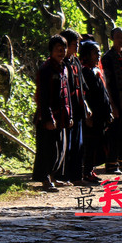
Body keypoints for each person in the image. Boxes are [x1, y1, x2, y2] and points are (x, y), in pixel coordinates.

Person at [32, 35, 72, 192]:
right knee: (47, 150)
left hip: (61, 116)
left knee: (59, 149)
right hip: (47, 117)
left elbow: (66, 94)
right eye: (58, 50)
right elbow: (42, 96)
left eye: (63, 49)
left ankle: (53, 176)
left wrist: (69, 116)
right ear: (51, 51)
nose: (61, 52)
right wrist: (47, 118)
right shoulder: (46, 69)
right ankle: (45, 179)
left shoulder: (63, 68)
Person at [101, 27, 122, 175]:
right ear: (112, 38)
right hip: (116, 102)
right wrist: (112, 105)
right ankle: (111, 164)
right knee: (114, 134)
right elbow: (107, 83)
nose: (121, 40)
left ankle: (121, 162)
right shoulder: (107, 57)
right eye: (118, 37)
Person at [79, 40, 112, 184]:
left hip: (100, 115)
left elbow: (104, 94)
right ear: (86, 54)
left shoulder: (96, 71)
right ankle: (85, 172)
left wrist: (109, 111)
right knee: (89, 144)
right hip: (92, 115)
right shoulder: (84, 71)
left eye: (99, 52)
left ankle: (90, 170)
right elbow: (85, 95)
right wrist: (87, 115)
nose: (98, 55)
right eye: (95, 52)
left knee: (97, 144)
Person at [59, 29, 87, 183]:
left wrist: (85, 104)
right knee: (67, 143)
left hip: (78, 107)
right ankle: (64, 175)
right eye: (74, 44)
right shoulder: (61, 63)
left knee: (78, 143)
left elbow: (81, 85)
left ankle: (77, 176)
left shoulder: (75, 61)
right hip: (66, 108)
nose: (77, 47)